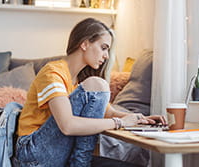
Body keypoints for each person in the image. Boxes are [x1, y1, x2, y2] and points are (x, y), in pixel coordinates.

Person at [13, 18, 166, 167]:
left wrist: (140, 119)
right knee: (98, 84)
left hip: (61, 154)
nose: (106, 56)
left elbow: (109, 112)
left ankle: (81, 163)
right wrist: (120, 123)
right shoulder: (52, 73)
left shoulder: (80, 83)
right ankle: (81, 163)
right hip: (33, 154)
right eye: (103, 48)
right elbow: (67, 125)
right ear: (85, 44)